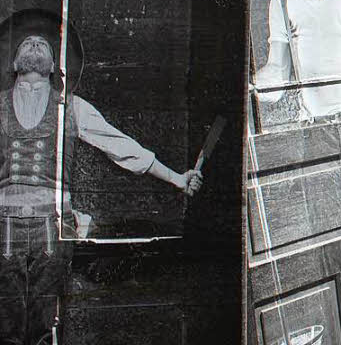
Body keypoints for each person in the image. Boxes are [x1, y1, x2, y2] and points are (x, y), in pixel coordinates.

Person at [1, 32, 202, 253]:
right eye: (27, 43)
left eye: (43, 44)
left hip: (55, 223)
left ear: (52, 68)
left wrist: (177, 178)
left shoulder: (73, 107)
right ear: (14, 63)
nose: (35, 43)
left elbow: (122, 147)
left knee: (51, 287)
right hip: (4, 224)